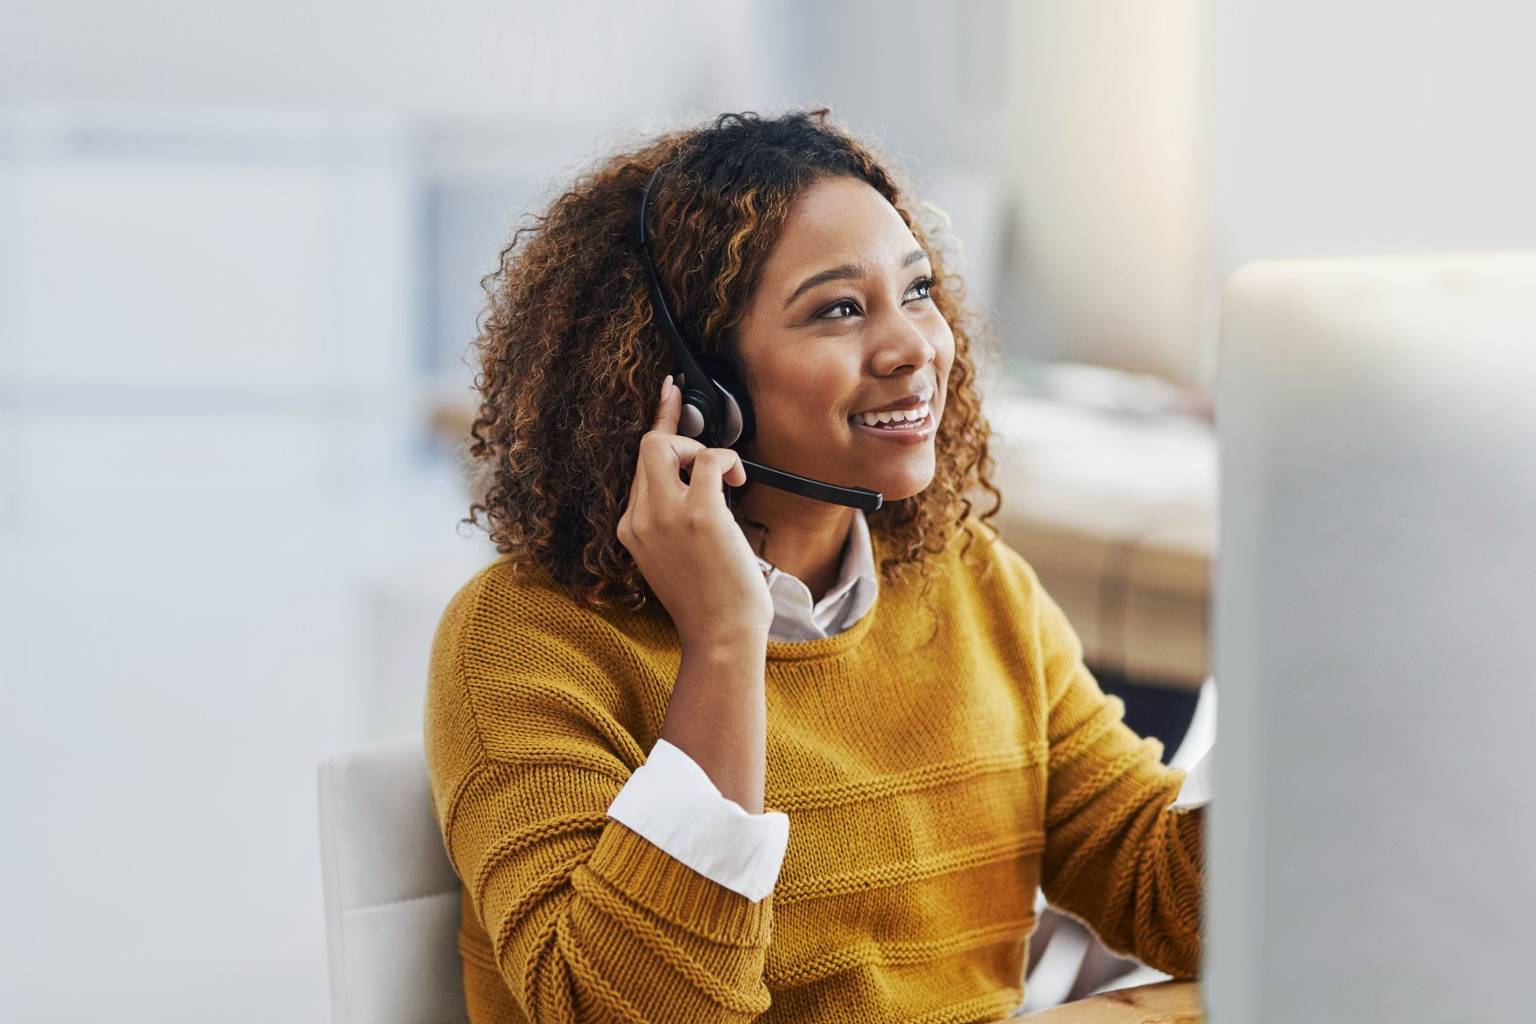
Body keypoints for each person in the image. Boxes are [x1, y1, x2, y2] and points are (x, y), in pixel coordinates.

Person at [423, 108, 1205, 1024]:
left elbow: (1164, 890)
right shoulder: (523, 641)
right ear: (692, 386)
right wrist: (723, 643)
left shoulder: (969, 581)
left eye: (917, 293)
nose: (915, 347)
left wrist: (1323, 694)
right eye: (839, 309)